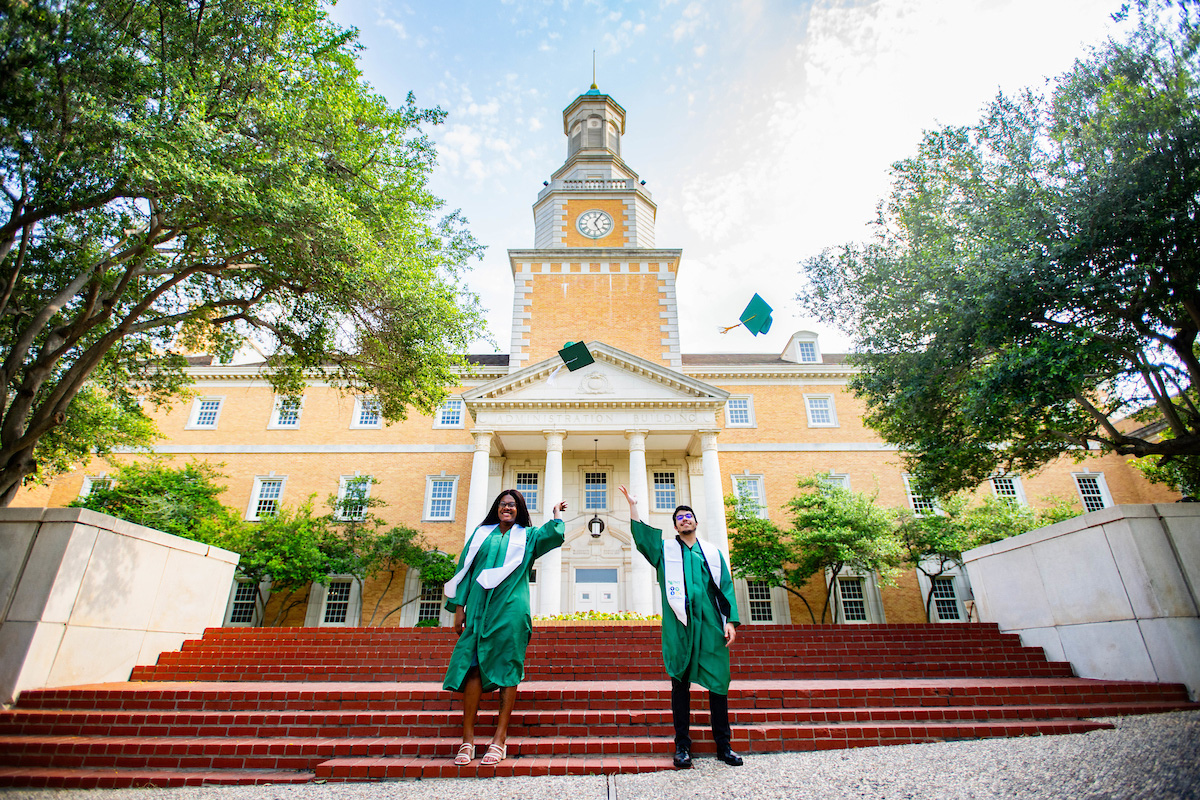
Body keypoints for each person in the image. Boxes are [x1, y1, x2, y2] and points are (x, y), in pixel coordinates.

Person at [618, 484, 743, 769]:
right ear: (675, 525)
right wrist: (634, 506)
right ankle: (682, 747)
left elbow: (725, 588)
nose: (685, 519)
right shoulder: (666, 551)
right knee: (680, 684)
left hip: (711, 626)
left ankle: (724, 746)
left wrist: (731, 622)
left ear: (696, 522)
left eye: (688, 516)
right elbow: (643, 539)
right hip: (680, 626)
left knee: (719, 685)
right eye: (679, 518)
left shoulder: (711, 553)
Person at [442, 489, 567, 767]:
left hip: (510, 608)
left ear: (520, 509)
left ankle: (499, 739)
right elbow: (465, 570)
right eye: (502, 504)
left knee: (509, 669)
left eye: (512, 505)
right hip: (478, 608)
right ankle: (467, 739)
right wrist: (459, 608)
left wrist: (556, 516)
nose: (506, 508)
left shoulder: (528, 537)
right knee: (472, 667)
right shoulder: (480, 535)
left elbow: (554, 535)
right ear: (496, 508)